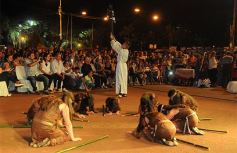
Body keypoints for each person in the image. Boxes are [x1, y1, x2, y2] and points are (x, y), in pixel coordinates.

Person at [110, 33, 129, 98]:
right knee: (121, 78)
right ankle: (123, 92)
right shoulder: (122, 50)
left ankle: (122, 92)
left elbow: (116, 46)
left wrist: (113, 39)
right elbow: (118, 45)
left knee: (122, 78)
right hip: (122, 65)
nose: (122, 45)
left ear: (126, 46)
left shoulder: (124, 50)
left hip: (122, 65)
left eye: (123, 44)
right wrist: (113, 39)